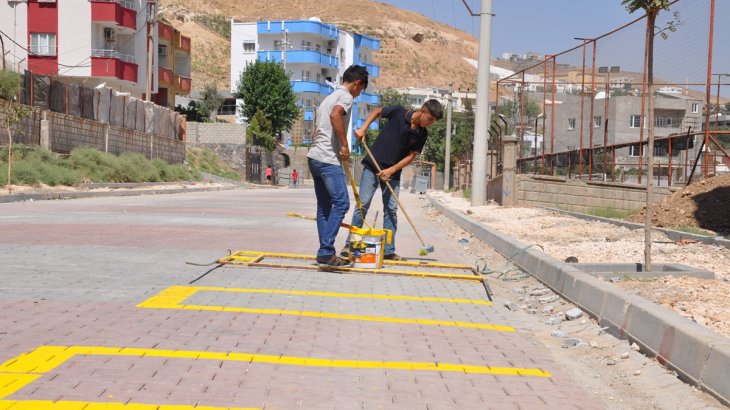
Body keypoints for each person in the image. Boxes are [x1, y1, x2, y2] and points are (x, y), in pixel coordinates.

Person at [343, 99, 443, 261]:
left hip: (393, 172)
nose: (431, 124)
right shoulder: (398, 111)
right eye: (430, 119)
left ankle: (388, 251)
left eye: (433, 122)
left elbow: (411, 156)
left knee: (391, 210)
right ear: (423, 111)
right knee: (363, 205)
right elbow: (377, 112)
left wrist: (391, 170)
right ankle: (350, 245)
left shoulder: (422, 134)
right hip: (373, 164)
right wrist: (363, 129)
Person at [307, 65, 369, 268]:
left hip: (315, 157)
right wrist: (344, 144)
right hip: (327, 159)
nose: (358, 95)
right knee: (342, 203)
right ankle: (325, 251)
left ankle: (325, 253)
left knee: (324, 208)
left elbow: (317, 130)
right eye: (360, 91)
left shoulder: (329, 97)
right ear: (357, 84)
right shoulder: (346, 98)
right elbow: (336, 116)